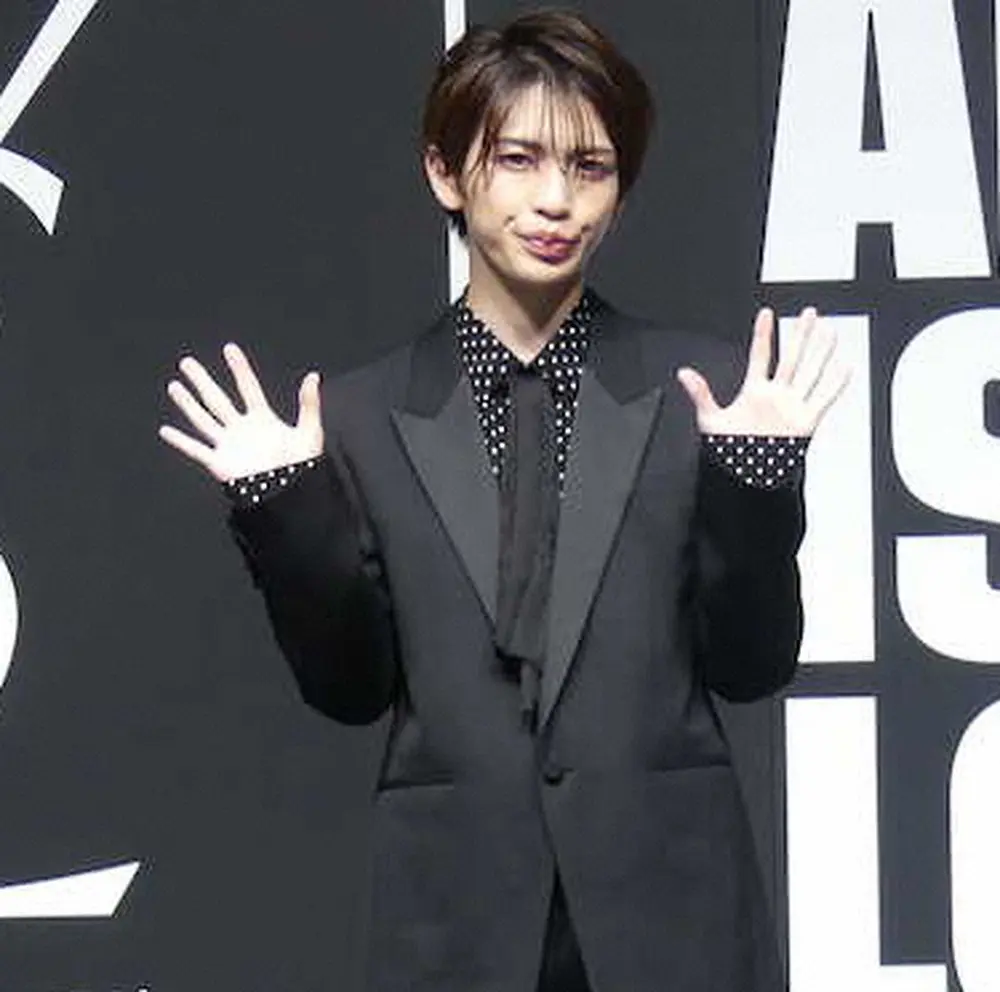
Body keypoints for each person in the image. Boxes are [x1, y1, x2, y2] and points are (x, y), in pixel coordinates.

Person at [159, 9, 848, 991]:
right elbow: (351, 689)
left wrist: (758, 482)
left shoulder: (703, 393)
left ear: (620, 189)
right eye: (518, 160)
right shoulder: (360, 415)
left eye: (590, 167)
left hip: (673, 916)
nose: (555, 200)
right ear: (446, 172)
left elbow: (751, 665)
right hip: (455, 924)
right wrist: (284, 507)